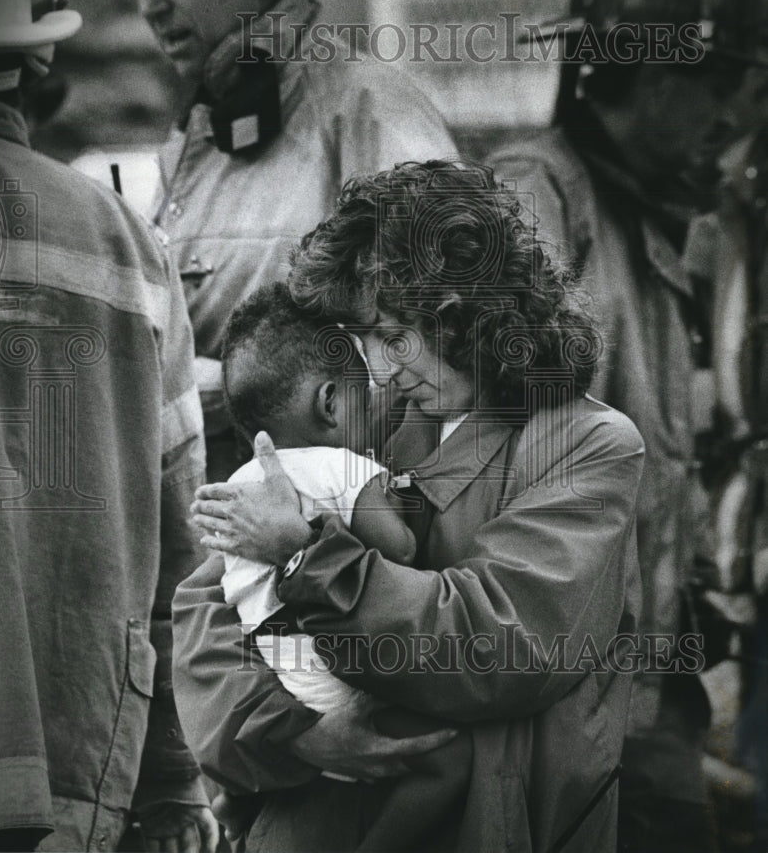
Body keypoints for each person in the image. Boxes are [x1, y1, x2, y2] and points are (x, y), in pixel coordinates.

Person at [173, 159, 645, 852]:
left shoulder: (588, 446)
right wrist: (295, 734)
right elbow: (207, 608)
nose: (385, 369)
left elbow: (498, 646)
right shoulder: (372, 424)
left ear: (467, 312)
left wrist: (310, 555)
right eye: (371, 342)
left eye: (396, 337)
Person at [487, 0, 768, 853]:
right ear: (653, 74)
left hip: (647, 694)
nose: (733, 114)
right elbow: (484, 448)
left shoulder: (652, 215)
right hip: (561, 700)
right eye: (718, 80)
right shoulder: (537, 196)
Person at [0, 0, 217, 852]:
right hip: (70, 780)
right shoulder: (123, 242)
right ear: (30, 67)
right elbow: (184, 548)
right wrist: (177, 781)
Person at [78, 0, 458, 481]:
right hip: (234, 534)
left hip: (339, 539)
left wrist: (235, 388)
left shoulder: (366, 106)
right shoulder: (199, 132)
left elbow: (443, 336)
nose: (150, 4)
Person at [205, 280, 471, 850]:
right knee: (448, 760)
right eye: (364, 392)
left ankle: (233, 798)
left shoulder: (242, 486)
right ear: (329, 402)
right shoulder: (342, 467)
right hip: (339, 675)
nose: (381, 389)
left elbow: (214, 601)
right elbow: (398, 548)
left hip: (273, 682)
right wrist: (389, 502)